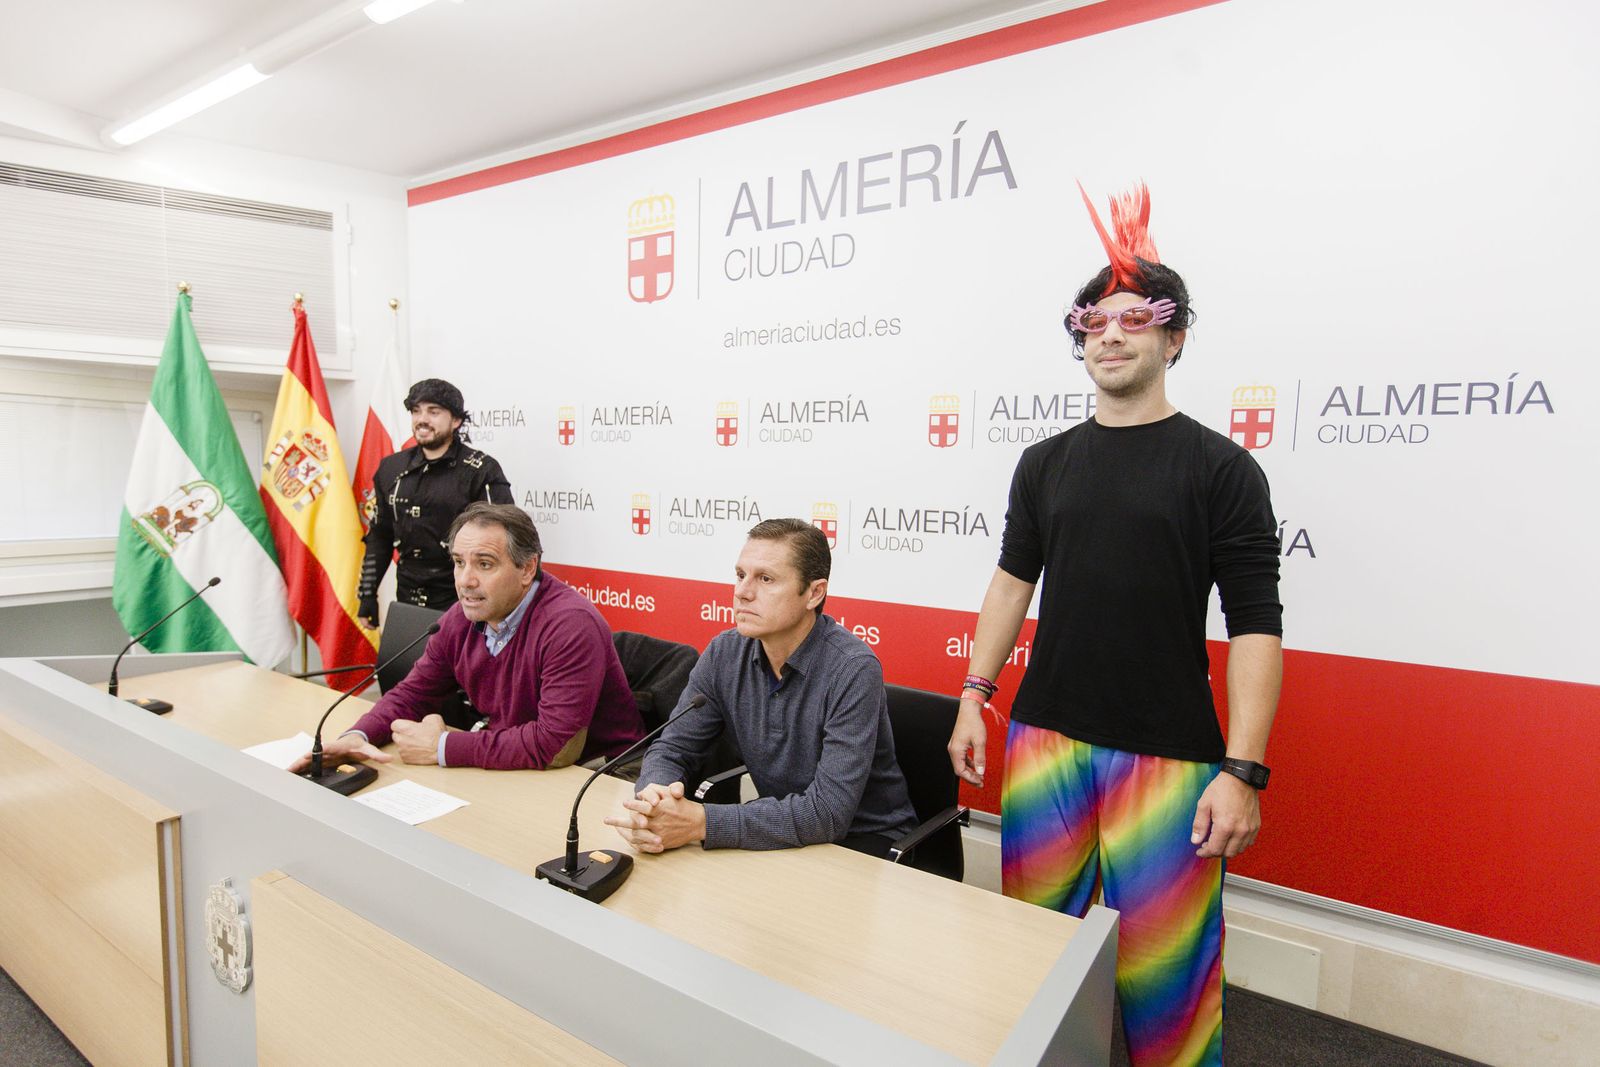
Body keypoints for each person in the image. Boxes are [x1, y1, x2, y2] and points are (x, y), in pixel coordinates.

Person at [946, 183, 1283, 1066]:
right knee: (1033, 959)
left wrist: (1242, 770)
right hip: (1044, 741)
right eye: (1094, 320)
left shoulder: (1223, 469)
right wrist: (973, 697)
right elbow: (1012, 584)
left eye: (1137, 318)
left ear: (1174, 338)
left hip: (1169, 760)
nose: (1110, 332)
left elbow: (1255, 625)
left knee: (1165, 988)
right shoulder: (1043, 463)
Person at [605, 518, 917, 856]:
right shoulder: (724, 652)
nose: (742, 592)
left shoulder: (853, 670)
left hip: (865, 845)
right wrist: (655, 800)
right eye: (740, 575)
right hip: (781, 832)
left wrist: (702, 822)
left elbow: (828, 813)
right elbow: (672, 749)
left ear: (814, 593)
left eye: (765, 579)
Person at [293, 503, 643, 772]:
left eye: (485, 564)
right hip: (519, 766)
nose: (465, 580)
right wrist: (357, 737)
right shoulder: (462, 617)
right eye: (459, 562)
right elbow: (413, 694)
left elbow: (555, 745)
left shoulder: (570, 624)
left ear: (527, 568)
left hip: (599, 774)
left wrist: (444, 747)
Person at [357, 378, 512, 629]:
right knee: (409, 669)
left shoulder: (482, 469)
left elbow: (504, 542)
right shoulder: (391, 469)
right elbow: (380, 536)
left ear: (456, 420)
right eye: (416, 411)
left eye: (433, 411)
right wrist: (367, 595)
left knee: (459, 669)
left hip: (465, 600)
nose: (422, 419)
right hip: (407, 599)